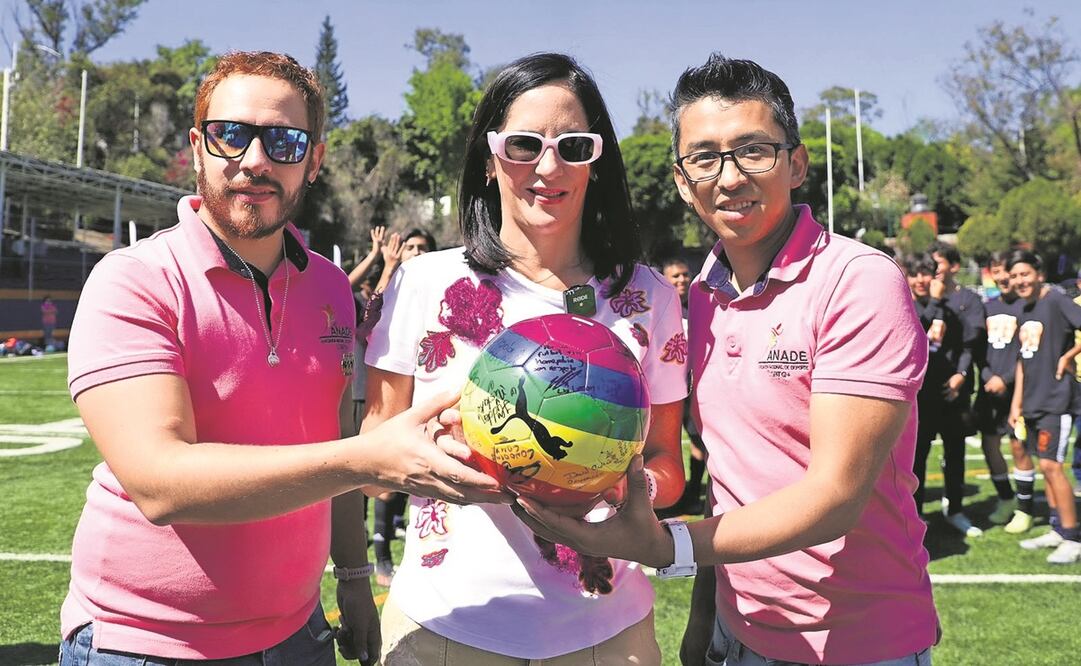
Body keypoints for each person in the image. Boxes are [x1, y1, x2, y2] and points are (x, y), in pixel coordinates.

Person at [59, 51, 505, 666]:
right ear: (197, 147)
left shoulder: (328, 289)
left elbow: (338, 440)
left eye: (286, 142)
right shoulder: (135, 280)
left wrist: (352, 578)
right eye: (231, 135)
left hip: (298, 635)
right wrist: (363, 457)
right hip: (147, 642)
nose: (255, 161)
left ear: (314, 160)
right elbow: (160, 483)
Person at [513, 54, 937, 666]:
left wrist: (667, 546)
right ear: (684, 182)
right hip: (736, 636)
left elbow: (838, 495)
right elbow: (731, 481)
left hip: (856, 642)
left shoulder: (859, 281)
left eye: (754, 151)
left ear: (796, 164)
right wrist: (707, 618)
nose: (730, 177)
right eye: (705, 157)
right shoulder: (704, 297)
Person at [363, 52, 688, 664]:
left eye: (573, 145)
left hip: (609, 634)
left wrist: (617, 484)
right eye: (523, 144)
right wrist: (439, 453)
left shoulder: (651, 298)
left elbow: (669, 465)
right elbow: (374, 446)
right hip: (444, 625)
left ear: (598, 160)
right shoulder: (422, 284)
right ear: (489, 160)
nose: (548, 165)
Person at [369, 227, 437, 587]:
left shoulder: (443, 285)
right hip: (385, 392)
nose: (415, 252)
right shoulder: (396, 284)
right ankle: (380, 557)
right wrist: (387, 265)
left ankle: (411, 547)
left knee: (411, 482)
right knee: (385, 479)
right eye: (410, 247)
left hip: (425, 400)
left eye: (422, 247)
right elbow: (369, 316)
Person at [1006, 250, 1081, 563]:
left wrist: (1067, 356)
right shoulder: (1025, 309)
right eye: (1014, 276)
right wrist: (1016, 403)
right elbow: (1023, 361)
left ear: (1038, 274)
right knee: (1043, 466)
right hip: (1033, 401)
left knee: (1053, 466)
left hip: (1057, 399)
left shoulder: (1057, 300)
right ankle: (1056, 528)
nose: (1020, 281)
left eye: (1025, 274)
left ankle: (1073, 536)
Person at [927, 241, 986, 535]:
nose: (932, 270)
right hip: (922, 391)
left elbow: (970, 343)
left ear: (953, 266)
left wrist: (962, 373)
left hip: (954, 388)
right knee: (914, 456)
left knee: (955, 451)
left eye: (937, 263)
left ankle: (955, 509)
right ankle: (913, 514)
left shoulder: (969, 299)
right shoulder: (919, 297)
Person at [974, 252, 1026, 529]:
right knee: (989, 444)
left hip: (1019, 390)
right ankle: (1006, 498)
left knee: (1019, 447)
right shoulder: (986, 307)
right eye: (997, 270)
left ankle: (1025, 507)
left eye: (1008, 270)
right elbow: (977, 352)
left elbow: (1028, 354)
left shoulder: (1027, 307)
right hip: (988, 389)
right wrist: (988, 376)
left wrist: (1005, 379)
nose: (1003, 276)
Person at [661, 256, 708, 516]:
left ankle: (692, 495)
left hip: (691, 391)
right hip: (662, 391)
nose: (681, 280)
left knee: (700, 443)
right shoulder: (661, 308)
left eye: (684, 275)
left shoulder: (697, 307)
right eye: (675, 276)